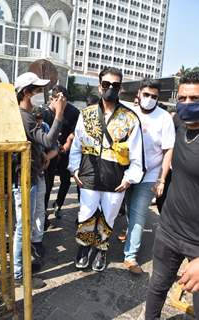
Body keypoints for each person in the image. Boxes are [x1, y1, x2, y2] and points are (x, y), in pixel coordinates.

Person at [68, 67, 145, 272]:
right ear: (99, 86)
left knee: (109, 216)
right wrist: (74, 169)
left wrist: (129, 178)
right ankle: (84, 248)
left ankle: (101, 249)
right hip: (89, 175)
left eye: (115, 85)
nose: (110, 88)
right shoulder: (86, 114)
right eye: (106, 84)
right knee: (86, 214)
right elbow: (76, 146)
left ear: (120, 88)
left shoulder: (130, 118)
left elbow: (137, 153)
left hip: (115, 178)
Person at [145, 71, 199, 319]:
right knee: (157, 287)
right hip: (169, 228)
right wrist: (161, 178)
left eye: (195, 99)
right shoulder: (177, 123)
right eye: (183, 98)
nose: (187, 105)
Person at [14, 72, 66, 287]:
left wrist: (41, 155)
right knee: (22, 227)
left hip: (32, 175)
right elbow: (47, 139)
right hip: (24, 179)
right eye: (36, 89)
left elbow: (37, 144)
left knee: (27, 223)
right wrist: (60, 114)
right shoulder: (24, 116)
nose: (39, 94)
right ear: (26, 92)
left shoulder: (24, 114)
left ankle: (23, 267)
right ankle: (19, 275)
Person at [123, 79, 175, 274]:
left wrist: (161, 178)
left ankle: (130, 256)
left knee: (139, 213)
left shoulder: (164, 118)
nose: (150, 99)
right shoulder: (130, 113)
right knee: (129, 210)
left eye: (154, 96)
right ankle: (130, 235)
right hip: (127, 174)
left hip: (150, 174)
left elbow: (168, 149)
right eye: (146, 95)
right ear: (139, 93)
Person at [43, 85, 79, 219]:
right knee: (48, 183)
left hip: (65, 150)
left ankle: (58, 204)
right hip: (49, 153)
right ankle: (44, 211)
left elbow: (75, 131)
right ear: (52, 99)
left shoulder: (74, 112)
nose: (61, 103)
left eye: (64, 100)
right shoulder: (45, 112)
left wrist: (67, 144)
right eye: (57, 99)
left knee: (65, 180)